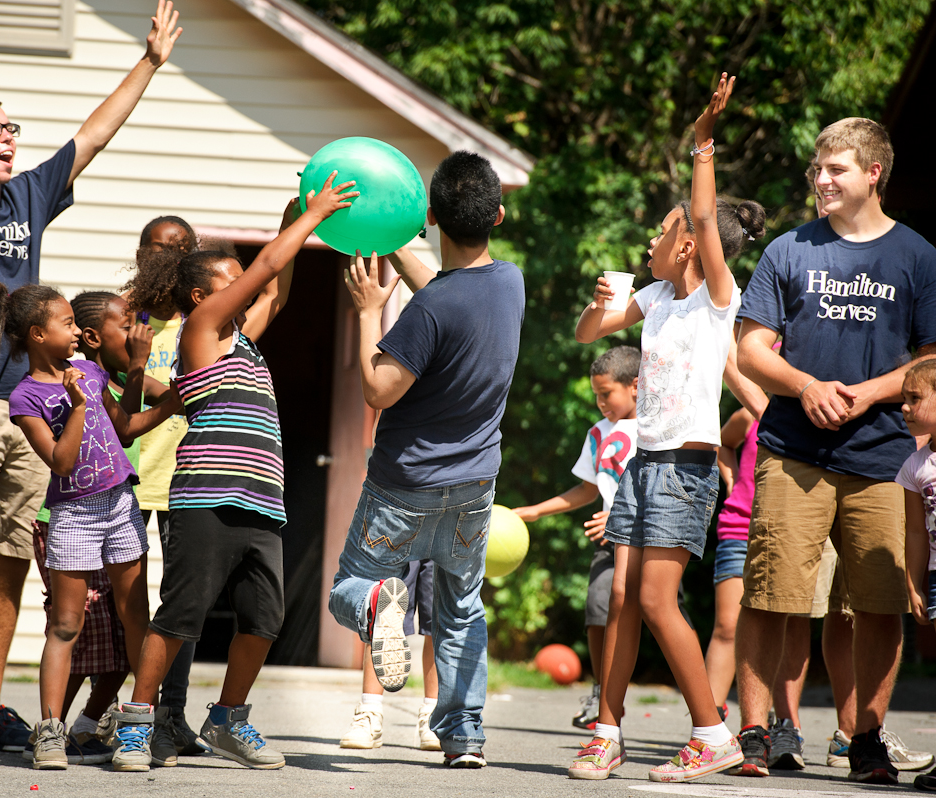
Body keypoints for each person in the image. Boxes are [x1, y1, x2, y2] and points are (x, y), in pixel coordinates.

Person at [0, 0, 183, 756]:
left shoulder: (27, 195)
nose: (9, 137)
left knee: (14, 554)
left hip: (34, 403)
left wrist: (150, 63)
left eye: (11, 127)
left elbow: (91, 134)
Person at [110, 180, 355, 773]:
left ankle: (227, 719)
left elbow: (277, 284)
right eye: (229, 277)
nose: (241, 283)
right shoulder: (202, 331)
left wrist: (292, 217)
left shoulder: (242, 341)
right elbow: (267, 268)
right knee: (179, 616)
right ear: (201, 294)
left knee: (264, 620)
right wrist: (314, 219)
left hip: (261, 503)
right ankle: (138, 724)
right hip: (207, 499)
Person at [568, 74, 765, 782]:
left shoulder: (717, 297)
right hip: (641, 467)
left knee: (652, 599)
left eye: (662, 230)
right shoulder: (652, 297)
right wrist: (596, 307)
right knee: (624, 599)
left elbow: (706, 220)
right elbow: (589, 331)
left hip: (683, 468)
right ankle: (608, 730)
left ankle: (711, 732)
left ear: (687, 243)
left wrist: (703, 143)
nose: (652, 238)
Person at [732, 115, 936, 784]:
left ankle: (866, 739)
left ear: (872, 173)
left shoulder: (916, 256)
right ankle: (757, 734)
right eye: (815, 170)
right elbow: (750, 348)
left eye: (835, 170)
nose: (820, 180)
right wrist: (806, 386)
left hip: (881, 456)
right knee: (769, 596)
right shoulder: (787, 250)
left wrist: (868, 392)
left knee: (878, 606)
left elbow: (931, 359)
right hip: (792, 451)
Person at [327, 149, 524, 770]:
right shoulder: (510, 282)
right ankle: (463, 738)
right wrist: (386, 242)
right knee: (462, 608)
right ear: (498, 213)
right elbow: (445, 293)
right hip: (474, 486)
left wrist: (365, 315)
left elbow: (378, 390)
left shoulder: (427, 311)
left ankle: (380, 602)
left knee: (346, 590)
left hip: (403, 484)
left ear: (432, 215)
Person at [0, 282, 178, 769]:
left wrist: (157, 386)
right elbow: (61, 462)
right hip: (73, 515)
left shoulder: (87, 370)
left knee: (136, 617)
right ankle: (50, 732)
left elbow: (125, 424)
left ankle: (136, 721)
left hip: (119, 504)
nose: (74, 333)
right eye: (66, 324)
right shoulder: (26, 398)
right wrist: (81, 406)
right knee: (66, 624)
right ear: (38, 334)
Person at [513, 345, 640, 732]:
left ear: (636, 386)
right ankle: (603, 694)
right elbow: (587, 490)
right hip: (609, 544)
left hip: (651, 540)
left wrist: (621, 516)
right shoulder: (599, 433)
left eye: (607, 394)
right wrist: (534, 511)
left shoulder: (658, 425)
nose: (600, 403)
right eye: (596, 395)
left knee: (667, 617)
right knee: (598, 609)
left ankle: (704, 706)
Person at [124, 217, 206, 759]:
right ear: (140, 252)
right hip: (125, 474)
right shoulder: (120, 313)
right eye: (159, 248)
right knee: (122, 601)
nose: (169, 258)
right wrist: (171, 391)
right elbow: (106, 365)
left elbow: (273, 297)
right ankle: (126, 711)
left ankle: (170, 715)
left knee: (182, 601)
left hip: (185, 478)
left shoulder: (206, 318)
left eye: (181, 250)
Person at [339, 560, 440, 751]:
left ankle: (434, 718)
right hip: (402, 533)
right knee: (385, 612)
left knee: (438, 620)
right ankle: (369, 714)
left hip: (443, 532)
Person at [899, 360, 936, 792]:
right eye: (903, 399)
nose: (904, 409)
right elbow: (913, 531)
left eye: (915, 399)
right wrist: (913, 583)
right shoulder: (915, 466)